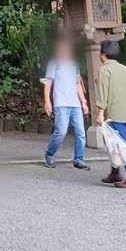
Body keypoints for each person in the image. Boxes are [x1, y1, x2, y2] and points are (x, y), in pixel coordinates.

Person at [93, 40, 126, 189]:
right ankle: (115, 173)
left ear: (103, 54)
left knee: (121, 145)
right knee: (113, 143)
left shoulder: (104, 70)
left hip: (114, 113)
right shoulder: (125, 69)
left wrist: (100, 113)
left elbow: (102, 94)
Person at [41, 35, 90, 170]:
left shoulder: (74, 64)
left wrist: (83, 102)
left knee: (81, 132)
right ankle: (50, 154)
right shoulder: (53, 63)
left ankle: (79, 158)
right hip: (61, 103)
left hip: (75, 104)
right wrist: (47, 101)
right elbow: (48, 83)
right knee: (61, 131)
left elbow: (77, 84)